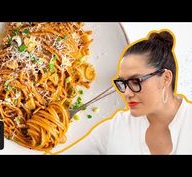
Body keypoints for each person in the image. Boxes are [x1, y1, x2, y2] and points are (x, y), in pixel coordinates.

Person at [64, 29, 192, 155]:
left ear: (166, 78)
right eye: (123, 83)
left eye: (136, 81)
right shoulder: (115, 128)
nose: (127, 93)